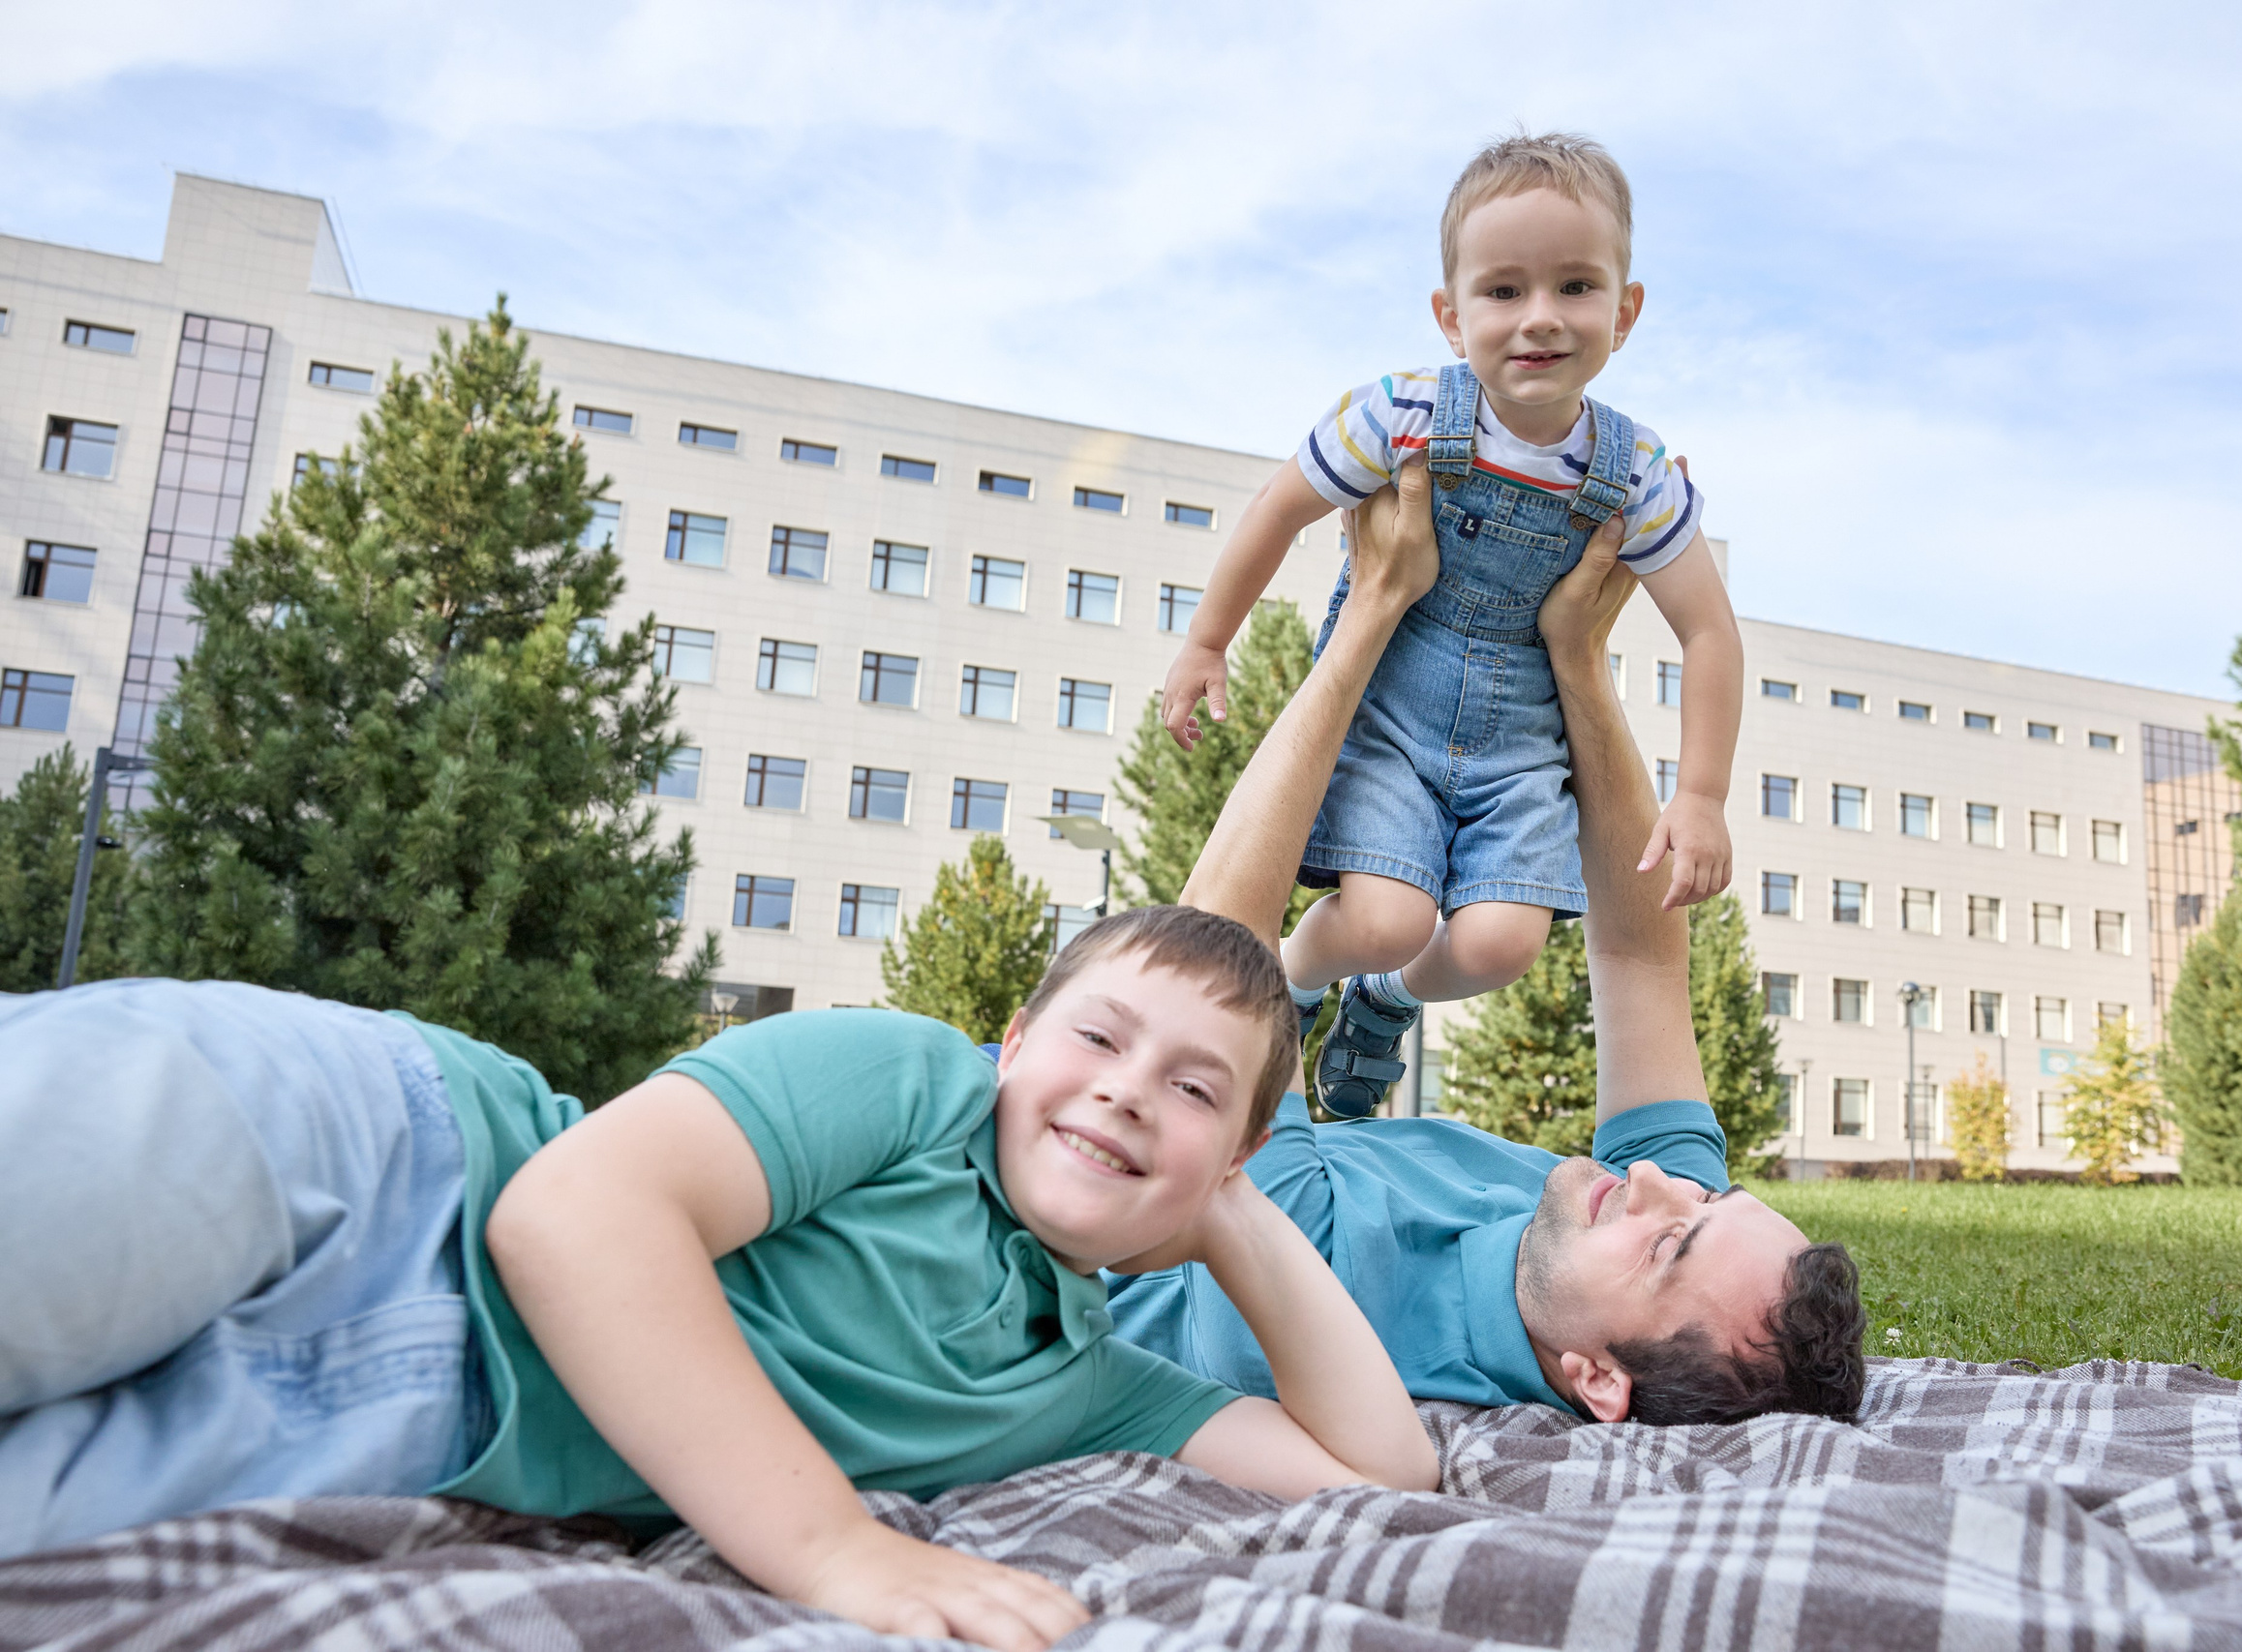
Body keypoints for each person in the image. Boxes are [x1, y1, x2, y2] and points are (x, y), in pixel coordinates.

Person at [0, 664, 1449, 1652]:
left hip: (397, 1421)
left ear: (1239, 1148)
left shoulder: (1085, 1382)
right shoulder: (910, 1077)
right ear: (1012, 1042)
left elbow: (1379, 1470)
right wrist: (831, 1547)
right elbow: (575, 1213)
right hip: (376, 1162)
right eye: (1099, 1039)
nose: (1129, 1092)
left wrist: (1230, 1205)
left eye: (1193, 1090)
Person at [1118, 452, 1867, 1428]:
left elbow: (1214, 949)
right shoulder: (1631, 1223)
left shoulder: (1305, 1313)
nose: (1655, 1184)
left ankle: (1317, 986)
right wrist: (1579, 655)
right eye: (1707, 1202)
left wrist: (1370, 611)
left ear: (1598, 1380)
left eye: (1669, 1242)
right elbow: (1640, 956)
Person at [1158, 133, 1746, 1117]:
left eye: (1575, 286)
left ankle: (1382, 1002)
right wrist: (1207, 640)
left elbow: (1710, 633)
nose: (1540, 317)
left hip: (1520, 747)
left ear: (1625, 310)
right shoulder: (1402, 415)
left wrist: (1702, 794)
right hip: (1393, 719)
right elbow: (1277, 507)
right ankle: (1295, 977)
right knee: (1384, 919)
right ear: (1451, 314)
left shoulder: (1638, 473)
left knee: (1500, 945)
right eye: (1504, 291)